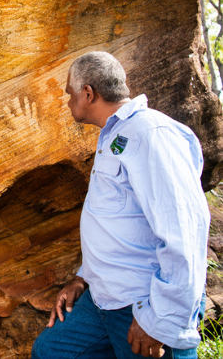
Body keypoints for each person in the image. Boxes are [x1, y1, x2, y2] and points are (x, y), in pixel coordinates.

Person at [32, 52, 210, 359]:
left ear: (88, 93)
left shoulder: (151, 133)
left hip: (143, 304)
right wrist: (81, 278)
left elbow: (185, 228)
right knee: (50, 351)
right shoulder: (114, 134)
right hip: (103, 299)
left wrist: (160, 320)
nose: (68, 101)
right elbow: (120, 220)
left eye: (70, 94)